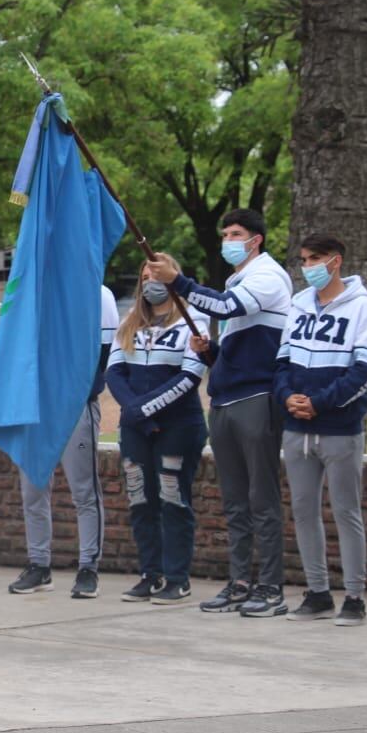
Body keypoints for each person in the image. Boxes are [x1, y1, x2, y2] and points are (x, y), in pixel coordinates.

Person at [147, 208, 292, 618]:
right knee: (235, 501)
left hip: (257, 397)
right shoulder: (237, 277)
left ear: (256, 239)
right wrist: (212, 353)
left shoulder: (267, 275)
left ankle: (270, 587)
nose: (229, 239)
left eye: (236, 233)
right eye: (225, 233)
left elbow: (228, 307)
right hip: (226, 398)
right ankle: (240, 581)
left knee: (261, 498)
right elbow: (237, 338)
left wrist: (179, 282)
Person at [274, 235, 367, 626]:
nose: (308, 267)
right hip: (296, 426)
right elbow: (282, 361)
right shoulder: (299, 303)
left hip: (339, 427)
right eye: (303, 260)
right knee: (303, 511)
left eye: (315, 259)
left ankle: (355, 596)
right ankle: (317, 593)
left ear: (335, 261)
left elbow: (365, 371)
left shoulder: (363, 308)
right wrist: (288, 397)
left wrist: (319, 402)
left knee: (345, 510)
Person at [106, 258, 209, 605]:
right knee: (140, 499)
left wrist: (143, 409)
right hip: (135, 429)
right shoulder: (128, 324)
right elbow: (115, 373)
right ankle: (151, 574)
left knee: (172, 500)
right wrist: (135, 413)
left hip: (178, 427)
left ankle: (177, 578)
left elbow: (190, 377)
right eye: (145, 275)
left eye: (157, 274)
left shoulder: (194, 321)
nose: (150, 280)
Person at [8, 284, 119, 598]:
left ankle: (88, 568)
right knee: (32, 489)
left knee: (83, 489)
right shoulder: (33, 290)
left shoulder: (98, 294)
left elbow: (104, 358)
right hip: (35, 409)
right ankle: (39, 565)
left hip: (74, 409)